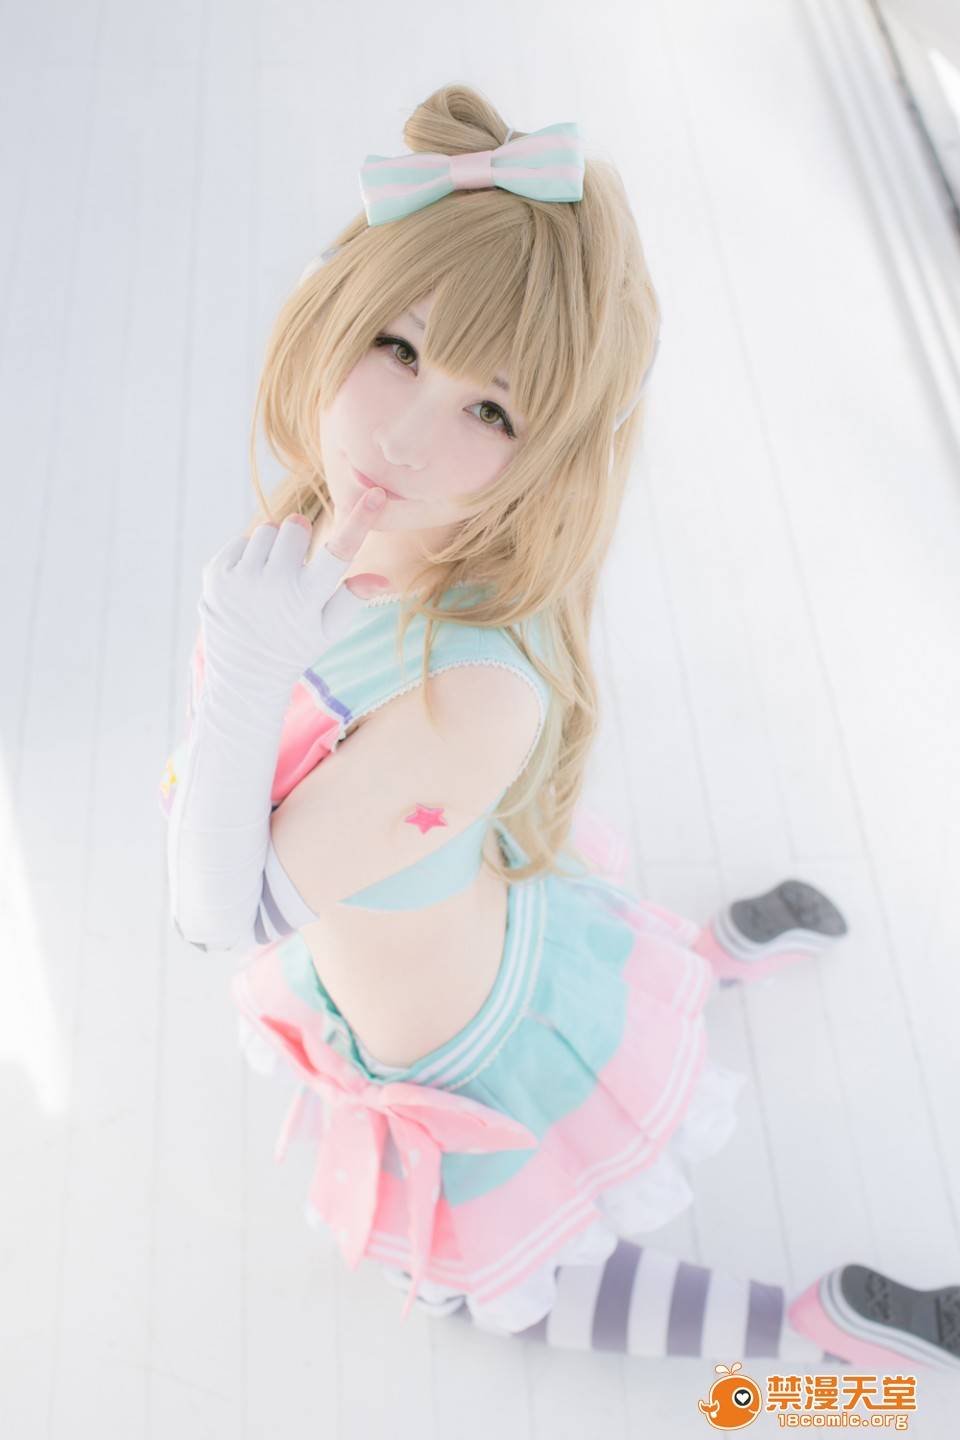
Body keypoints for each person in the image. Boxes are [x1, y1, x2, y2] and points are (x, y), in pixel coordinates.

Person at [158, 84, 959, 1373]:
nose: (404, 438)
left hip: (457, 1054)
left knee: (492, 1290)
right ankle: (713, 957)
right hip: (465, 934)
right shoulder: (348, 531)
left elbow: (215, 913)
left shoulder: (471, 689)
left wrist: (244, 671)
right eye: (398, 347)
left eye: (492, 411)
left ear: (547, 457)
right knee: (632, 1001)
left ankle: (806, 1328)